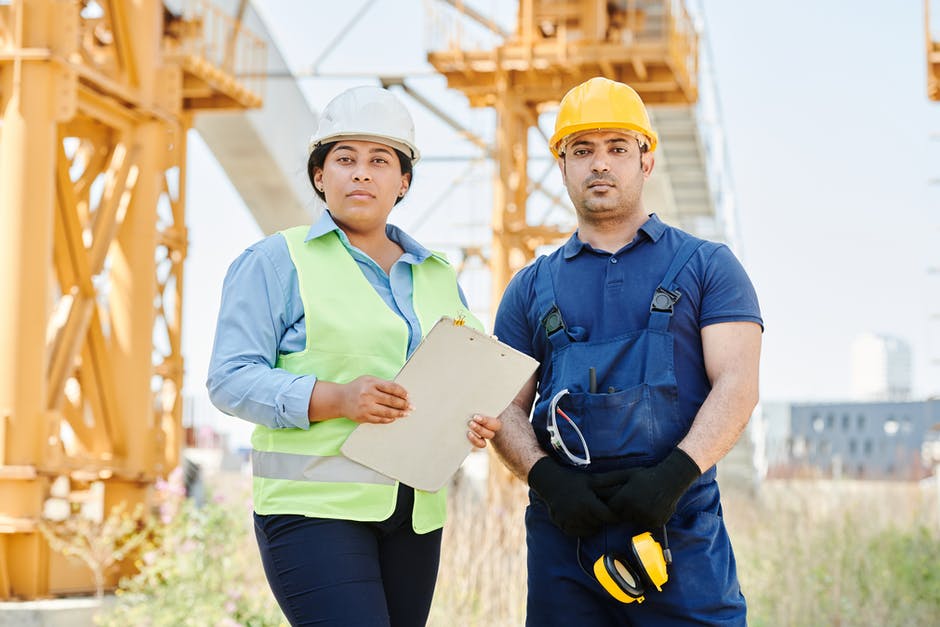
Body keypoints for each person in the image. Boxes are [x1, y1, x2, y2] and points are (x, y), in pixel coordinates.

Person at [206, 85, 502, 627]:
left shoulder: (439, 275)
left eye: (379, 160)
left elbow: (465, 377)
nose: (360, 173)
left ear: (403, 181)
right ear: (321, 177)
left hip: (415, 515)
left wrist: (474, 421)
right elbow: (229, 379)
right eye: (344, 159)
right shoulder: (277, 261)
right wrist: (335, 398)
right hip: (313, 511)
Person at [490, 76, 763, 626]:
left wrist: (674, 476)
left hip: (678, 525)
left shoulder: (708, 267)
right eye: (582, 150)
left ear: (646, 162)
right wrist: (547, 480)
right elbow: (502, 405)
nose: (600, 164)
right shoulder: (528, 288)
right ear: (562, 166)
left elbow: (738, 383)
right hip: (565, 535)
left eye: (618, 148)